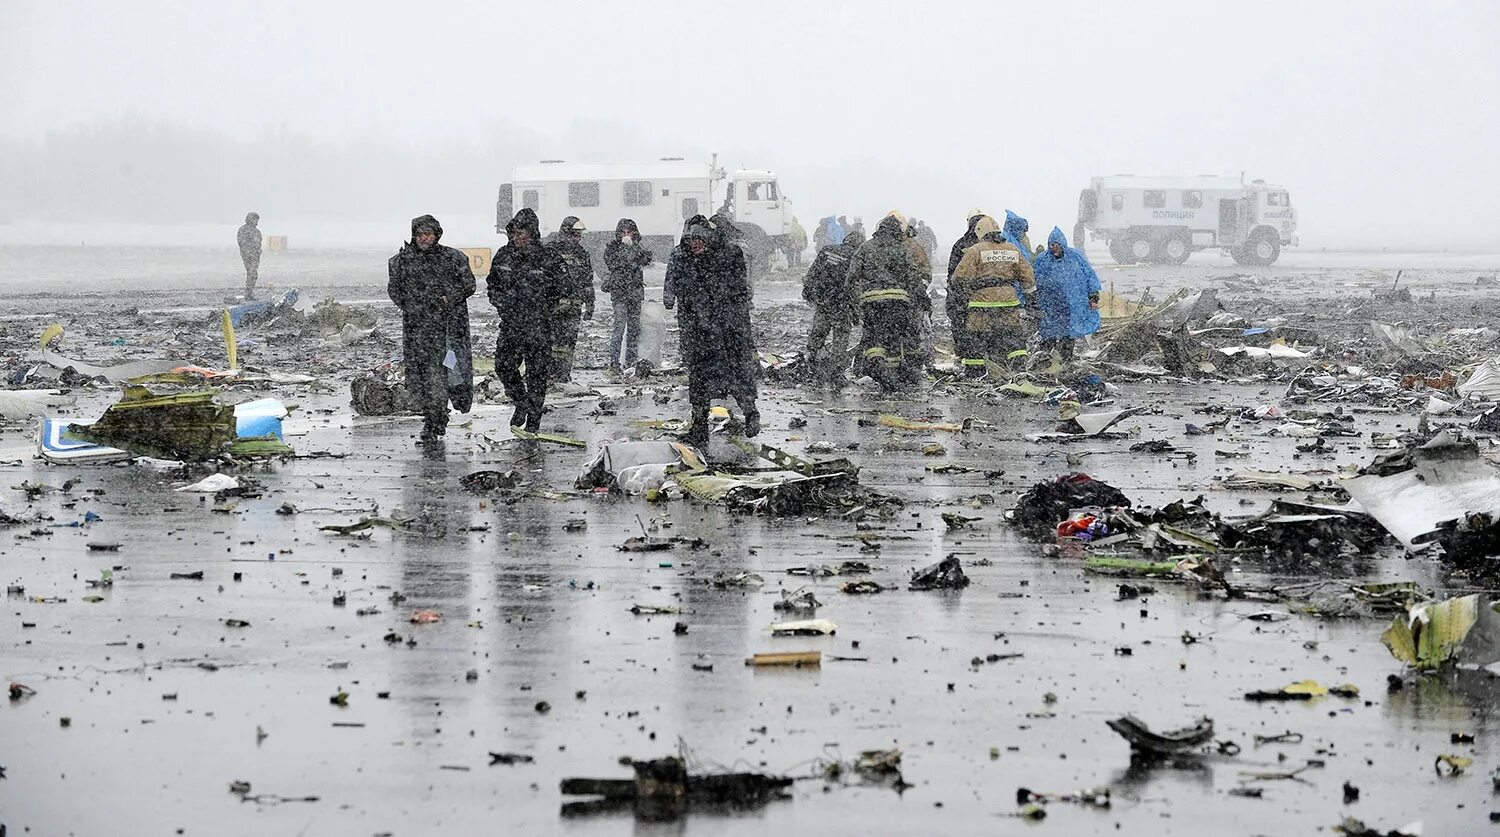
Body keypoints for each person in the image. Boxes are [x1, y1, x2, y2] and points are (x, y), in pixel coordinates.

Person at [664, 217, 760, 446]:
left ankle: (750, 413)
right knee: (698, 380)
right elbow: (675, 279)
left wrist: (733, 326)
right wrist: (670, 296)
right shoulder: (682, 256)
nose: (694, 245)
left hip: (726, 331)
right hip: (696, 330)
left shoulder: (726, 255)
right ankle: (699, 428)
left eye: (699, 240)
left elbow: (737, 291)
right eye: (691, 240)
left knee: (735, 374)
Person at [387, 214, 475, 444]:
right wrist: (412, 306)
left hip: (447, 331)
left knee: (445, 375)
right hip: (418, 331)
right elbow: (394, 289)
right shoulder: (402, 261)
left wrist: (448, 299)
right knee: (422, 379)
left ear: (436, 235)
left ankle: (435, 421)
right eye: (419, 234)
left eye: (428, 234)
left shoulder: (452, 258)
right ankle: (433, 419)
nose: (423, 239)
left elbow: (469, 285)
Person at [487, 208, 565, 432]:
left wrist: (542, 306)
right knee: (503, 366)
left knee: (537, 374)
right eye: (513, 234)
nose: (516, 238)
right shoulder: (503, 255)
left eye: (522, 233)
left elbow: (562, 287)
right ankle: (521, 402)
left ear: (532, 234)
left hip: (538, 325)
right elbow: (493, 285)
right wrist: (503, 303)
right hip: (511, 323)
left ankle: (534, 418)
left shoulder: (547, 257)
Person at [848, 214, 928, 392]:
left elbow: (852, 276)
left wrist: (851, 301)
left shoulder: (865, 247)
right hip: (897, 301)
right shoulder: (901, 249)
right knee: (892, 337)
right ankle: (891, 376)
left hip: (871, 301)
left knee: (874, 336)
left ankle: (878, 366)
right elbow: (913, 276)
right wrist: (923, 298)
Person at [950, 215, 1037, 375]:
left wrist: (967, 293)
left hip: (980, 307)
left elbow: (959, 277)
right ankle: (1018, 371)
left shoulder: (975, 250)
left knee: (976, 339)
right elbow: (1028, 277)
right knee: (1012, 337)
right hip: (1008, 304)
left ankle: (975, 373)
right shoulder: (1012, 249)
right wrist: (1032, 302)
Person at [801, 227, 865, 384]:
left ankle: (813, 364)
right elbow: (854, 285)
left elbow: (812, 273)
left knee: (818, 333)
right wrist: (857, 311)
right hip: (841, 304)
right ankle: (836, 373)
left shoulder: (827, 250)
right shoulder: (855, 257)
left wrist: (808, 292)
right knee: (840, 339)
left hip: (823, 301)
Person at [1032, 226, 1102, 366]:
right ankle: (1047, 362)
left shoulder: (1075, 257)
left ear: (1062, 244)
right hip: (1050, 304)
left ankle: (1065, 361)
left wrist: (1093, 296)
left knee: (1068, 333)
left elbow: (1089, 276)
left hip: (1071, 304)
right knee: (1048, 333)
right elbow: (1033, 279)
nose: (1053, 248)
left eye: (1056, 245)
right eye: (1051, 245)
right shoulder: (1043, 260)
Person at [543, 216, 596, 383]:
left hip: (574, 305)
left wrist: (590, 303)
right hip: (555, 305)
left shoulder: (582, 253)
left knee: (569, 342)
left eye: (579, 235)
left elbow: (587, 280)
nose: (577, 239)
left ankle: (564, 373)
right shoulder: (550, 251)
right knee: (552, 341)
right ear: (565, 233)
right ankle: (550, 372)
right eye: (574, 235)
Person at [601, 218, 653, 371]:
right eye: (623, 232)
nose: (626, 235)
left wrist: (632, 248)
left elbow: (646, 258)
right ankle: (614, 362)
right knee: (619, 328)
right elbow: (613, 262)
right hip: (619, 293)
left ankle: (631, 361)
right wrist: (626, 249)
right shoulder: (612, 248)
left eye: (629, 232)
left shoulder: (638, 247)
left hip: (635, 293)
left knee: (634, 329)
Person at [237, 212, 262, 300]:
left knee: (254, 275)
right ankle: (248, 293)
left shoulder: (257, 231)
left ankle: (249, 292)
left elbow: (258, 243)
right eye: (255, 219)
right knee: (252, 274)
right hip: (248, 257)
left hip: (255, 257)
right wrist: (249, 253)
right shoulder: (243, 230)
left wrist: (258, 251)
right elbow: (242, 243)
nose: (256, 221)